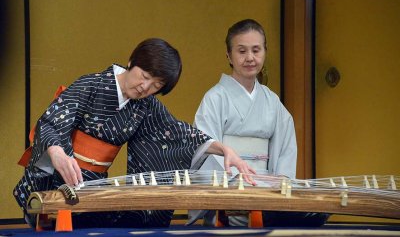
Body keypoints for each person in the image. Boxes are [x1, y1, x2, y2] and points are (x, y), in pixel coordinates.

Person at [13, 38, 255, 228]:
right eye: (145, 76)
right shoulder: (90, 85)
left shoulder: (145, 105)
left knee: (128, 217)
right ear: (132, 61)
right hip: (60, 179)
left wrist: (224, 150)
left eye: (156, 85)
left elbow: (176, 132)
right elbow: (51, 123)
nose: (145, 87)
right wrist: (57, 153)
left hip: (94, 187)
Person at [188, 19, 329, 227]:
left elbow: (285, 151)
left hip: (266, 188)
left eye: (256, 50)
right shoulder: (215, 98)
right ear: (228, 55)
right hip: (229, 187)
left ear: (265, 52)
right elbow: (204, 146)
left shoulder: (272, 101)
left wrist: (277, 185)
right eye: (242, 51)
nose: (250, 58)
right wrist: (235, 184)